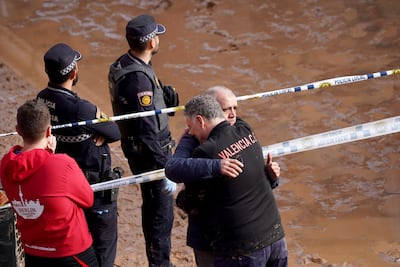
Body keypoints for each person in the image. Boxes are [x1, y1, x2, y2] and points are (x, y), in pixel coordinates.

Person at [165, 86, 281, 266]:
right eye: (227, 109)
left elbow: (183, 190)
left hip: (235, 246)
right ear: (216, 112)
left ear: (200, 120)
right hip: (274, 238)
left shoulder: (205, 152)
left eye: (190, 127)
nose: (232, 115)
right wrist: (271, 179)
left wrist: (187, 140)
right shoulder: (245, 130)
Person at [37, 43, 121, 267]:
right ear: (73, 73)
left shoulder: (40, 100)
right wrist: (95, 131)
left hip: (61, 185)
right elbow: (114, 131)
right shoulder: (83, 109)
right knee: (103, 244)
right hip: (92, 187)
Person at [108, 14, 179, 267]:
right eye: (156, 36)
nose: (159, 39)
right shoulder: (138, 79)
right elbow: (147, 130)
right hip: (151, 156)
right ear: (151, 43)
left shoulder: (124, 63)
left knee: (154, 207)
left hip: (138, 149)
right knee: (160, 213)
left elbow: (140, 114)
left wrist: (165, 101)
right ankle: (160, 264)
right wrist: (167, 168)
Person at [0, 99, 98, 267]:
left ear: (18, 131)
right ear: (49, 131)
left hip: (33, 250)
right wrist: (50, 155)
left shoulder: (6, 165)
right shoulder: (62, 164)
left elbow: (32, 169)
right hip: (70, 251)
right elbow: (88, 199)